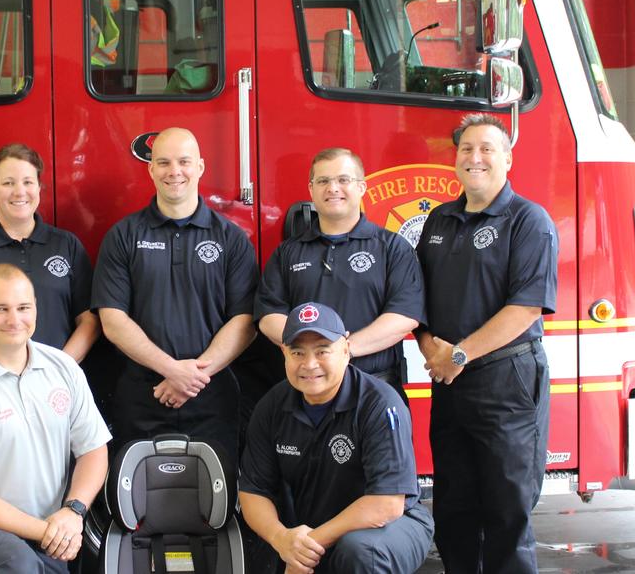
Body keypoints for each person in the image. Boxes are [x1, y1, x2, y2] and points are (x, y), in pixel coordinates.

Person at [415, 113, 558, 573]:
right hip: (450, 382)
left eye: (487, 149)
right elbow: (417, 299)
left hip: (506, 382)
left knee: (506, 509)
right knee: (453, 508)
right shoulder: (439, 219)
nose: (475, 158)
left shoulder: (528, 220)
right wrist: (431, 349)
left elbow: (527, 307)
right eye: (466, 149)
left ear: (507, 159)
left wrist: (458, 354)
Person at [0, 264, 111, 574]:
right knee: (16, 562)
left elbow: (93, 450)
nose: (14, 320)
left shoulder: (63, 369)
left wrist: (74, 511)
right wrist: (49, 533)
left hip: (53, 525)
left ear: (35, 308)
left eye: (23, 307)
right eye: (0, 309)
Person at [91, 127, 257, 462]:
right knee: (138, 507)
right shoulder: (123, 236)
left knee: (214, 507)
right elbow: (112, 320)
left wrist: (192, 377)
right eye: (163, 162)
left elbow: (245, 321)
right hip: (142, 395)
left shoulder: (231, 239)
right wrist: (171, 370)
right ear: (151, 169)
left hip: (211, 396)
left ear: (200, 167)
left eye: (184, 161)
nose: (174, 171)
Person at [239, 302, 433, 574]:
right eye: (297, 352)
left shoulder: (379, 403)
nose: (309, 364)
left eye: (322, 350)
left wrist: (306, 547)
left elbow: (386, 504)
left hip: (391, 525)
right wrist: (281, 539)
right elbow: (253, 492)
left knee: (362, 552)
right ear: (284, 354)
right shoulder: (271, 406)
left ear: (345, 350)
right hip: (314, 525)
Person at [255, 147, 424, 405]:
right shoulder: (288, 252)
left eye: (343, 180)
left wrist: (340, 351)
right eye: (323, 181)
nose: (333, 188)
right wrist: (317, 358)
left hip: (375, 390)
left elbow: (404, 316)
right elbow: (269, 316)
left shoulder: (392, 248)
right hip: (307, 393)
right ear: (311, 189)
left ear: (361, 188)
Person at [0, 143, 99, 360]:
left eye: (28, 182)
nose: (19, 191)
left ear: (39, 188)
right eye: (8, 183)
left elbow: (89, 322)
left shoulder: (67, 245)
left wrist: (57, 370)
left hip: (57, 383)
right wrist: (6, 369)